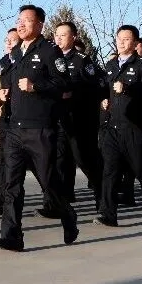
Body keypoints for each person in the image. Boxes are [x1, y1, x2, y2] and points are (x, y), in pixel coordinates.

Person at [0, 5, 78, 251]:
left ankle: (67, 214)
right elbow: (11, 79)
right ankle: (12, 236)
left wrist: (36, 86)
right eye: (19, 20)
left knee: (48, 183)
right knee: (12, 185)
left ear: (40, 24)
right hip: (15, 129)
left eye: (26, 20)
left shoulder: (50, 51)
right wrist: (5, 92)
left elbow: (64, 84)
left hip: (40, 129)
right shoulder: (16, 51)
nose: (20, 24)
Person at [94, 25, 142, 226]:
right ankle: (108, 214)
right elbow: (103, 89)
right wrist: (103, 100)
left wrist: (129, 89)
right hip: (112, 128)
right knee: (110, 171)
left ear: (135, 43)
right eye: (119, 39)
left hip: (135, 128)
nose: (121, 43)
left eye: (126, 39)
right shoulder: (111, 65)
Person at [50, 21, 104, 214]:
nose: (58, 39)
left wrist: (73, 93)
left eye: (63, 35)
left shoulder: (82, 60)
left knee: (85, 159)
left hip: (80, 120)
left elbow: (96, 88)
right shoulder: (51, 59)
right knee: (59, 161)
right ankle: (59, 203)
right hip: (59, 119)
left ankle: (103, 197)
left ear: (73, 37)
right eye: (56, 35)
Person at [0, 28, 21, 212]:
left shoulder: (24, 62)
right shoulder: (5, 61)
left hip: (22, 119)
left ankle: (55, 199)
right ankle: (0, 200)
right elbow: (5, 87)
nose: (9, 43)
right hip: (6, 117)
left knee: (34, 164)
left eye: (13, 40)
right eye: (7, 39)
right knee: (3, 159)